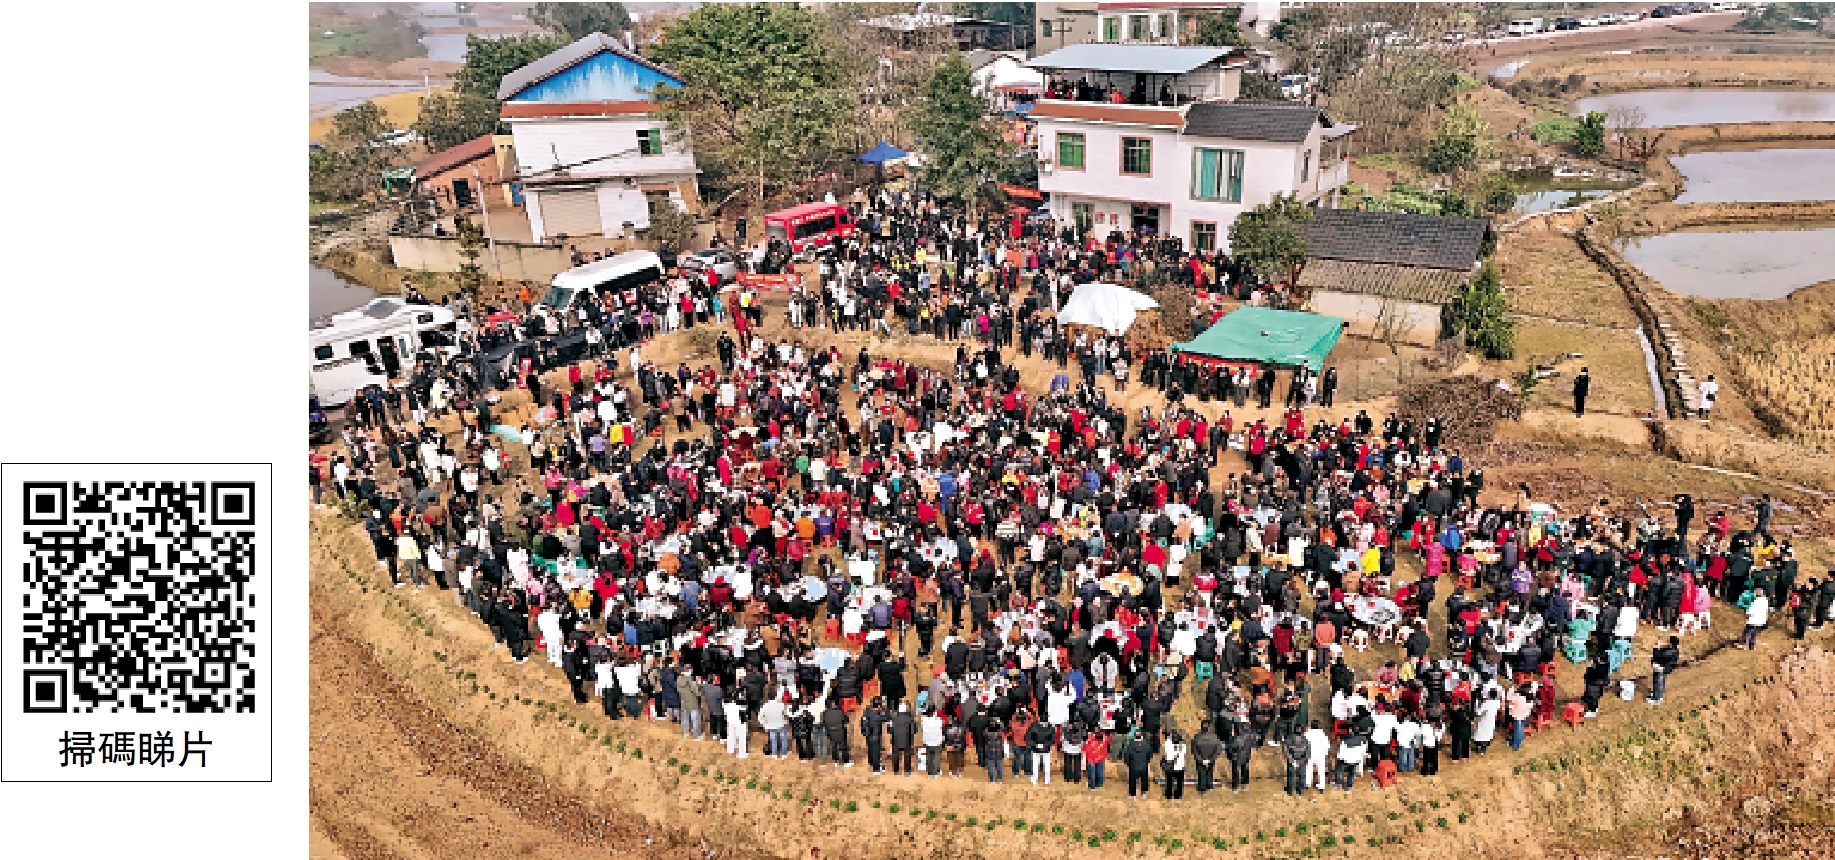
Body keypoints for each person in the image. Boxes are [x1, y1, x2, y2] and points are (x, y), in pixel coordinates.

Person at [1161, 731, 1188, 800]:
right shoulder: (1183, 746)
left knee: (1169, 782)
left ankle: (1169, 795)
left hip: (1170, 766)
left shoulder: (1168, 745)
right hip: (1180, 766)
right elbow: (1184, 752)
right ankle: (1178, 795)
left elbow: (1165, 745)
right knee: (1179, 782)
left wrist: (1169, 736)